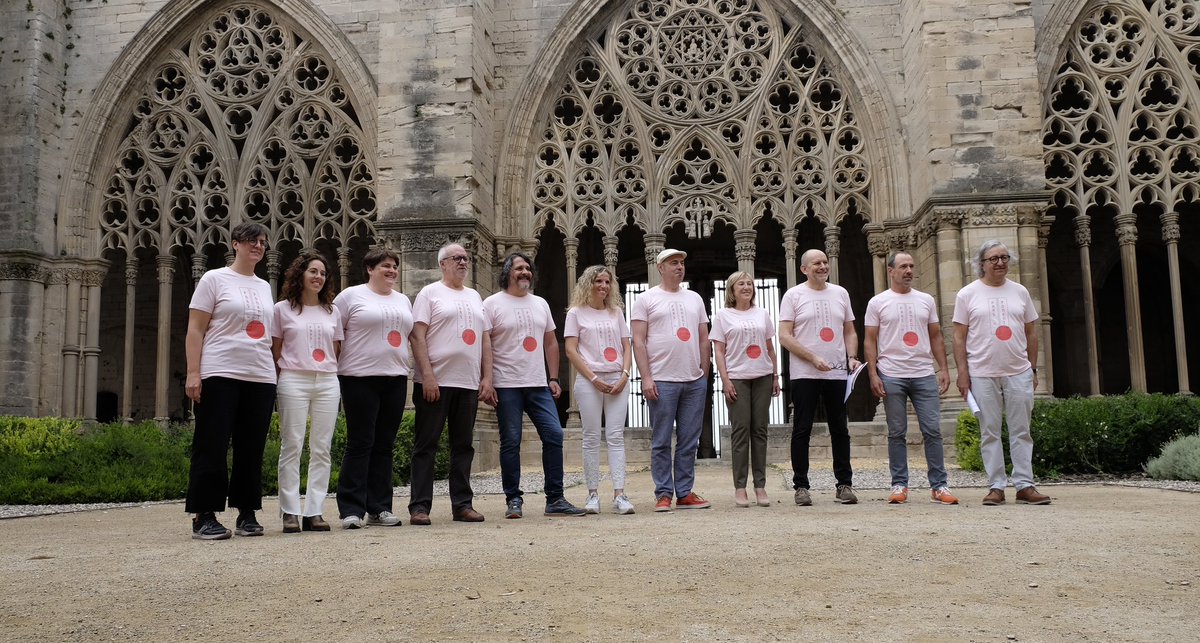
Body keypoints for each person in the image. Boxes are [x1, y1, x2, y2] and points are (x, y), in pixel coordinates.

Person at [184, 222, 276, 540]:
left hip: (260, 375)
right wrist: (193, 373)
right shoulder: (214, 279)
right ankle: (204, 515)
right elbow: (195, 329)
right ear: (235, 244)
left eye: (263, 242)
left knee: (251, 447)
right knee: (212, 444)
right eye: (252, 240)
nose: (259, 246)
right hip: (220, 371)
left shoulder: (264, 286)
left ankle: (246, 513)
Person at [484, 253, 587, 518]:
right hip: (506, 384)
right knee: (511, 441)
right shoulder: (492, 304)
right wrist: (487, 380)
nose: (525, 272)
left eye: (528, 268)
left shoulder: (540, 303)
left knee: (554, 435)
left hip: (538, 384)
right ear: (508, 272)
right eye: (519, 268)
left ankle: (555, 499)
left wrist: (554, 378)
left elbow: (551, 342)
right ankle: (513, 500)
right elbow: (484, 345)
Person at [952, 240, 1050, 506]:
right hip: (982, 373)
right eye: (993, 259)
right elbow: (959, 337)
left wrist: (1032, 368)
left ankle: (1025, 485)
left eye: (1004, 257)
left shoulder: (1020, 292)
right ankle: (996, 486)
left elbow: (1031, 332)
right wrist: (963, 373)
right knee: (990, 431)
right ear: (981, 264)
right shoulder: (967, 294)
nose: (1000, 263)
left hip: (1018, 371)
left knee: (1021, 430)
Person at [407, 243, 492, 525]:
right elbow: (417, 336)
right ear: (442, 263)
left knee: (463, 445)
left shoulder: (475, 295)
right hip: (436, 382)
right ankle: (419, 507)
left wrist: (487, 377)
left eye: (466, 258)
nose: (463, 262)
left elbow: (485, 340)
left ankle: (462, 505)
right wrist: (427, 375)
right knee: (426, 445)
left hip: (467, 383)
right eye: (457, 258)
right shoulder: (429, 293)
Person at [864, 252, 958, 506]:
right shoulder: (878, 302)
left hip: (923, 373)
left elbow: (936, 336)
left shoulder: (926, 300)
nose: (908, 270)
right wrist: (873, 374)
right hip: (892, 373)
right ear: (891, 270)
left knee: (932, 430)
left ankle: (939, 486)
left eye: (911, 266)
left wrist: (944, 369)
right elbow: (870, 340)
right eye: (903, 266)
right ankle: (899, 485)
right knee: (896, 433)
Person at [334, 247, 414, 528]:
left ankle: (379, 507)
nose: (391, 270)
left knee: (384, 445)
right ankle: (351, 509)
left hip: (395, 376)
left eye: (394, 266)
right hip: (359, 377)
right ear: (370, 269)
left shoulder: (403, 300)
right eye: (385, 266)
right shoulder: (350, 296)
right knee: (360, 443)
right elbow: (335, 335)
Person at [631, 248, 713, 512]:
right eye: (673, 263)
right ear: (660, 268)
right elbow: (638, 341)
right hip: (662, 380)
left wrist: (704, 372)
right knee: (662, 440)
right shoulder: (646, 299)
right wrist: (646, 378)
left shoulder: (695, 299)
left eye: (681, 263)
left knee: (690, 440)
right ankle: (664, 493)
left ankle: (685, 493)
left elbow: (703, 337)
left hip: (693, 381)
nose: (679, 267)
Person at [779, 249, 861, 506]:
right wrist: (812, 358)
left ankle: (844, 485)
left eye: (825, 262)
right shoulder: (793, 295)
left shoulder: (840, 293)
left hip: (837, 372)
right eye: (817, 263)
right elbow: (784, 335)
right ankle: (801, 486)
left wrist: (851, 356)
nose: (823, 266)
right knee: (802, 429)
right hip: (805, 373)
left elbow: (849, 330)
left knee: (840, 429)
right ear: (804, 269)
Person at [271, 252, 343, 533]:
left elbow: (336, 349)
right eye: (313, 271)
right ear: (300, 274)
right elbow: (276, 350)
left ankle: (314, 511)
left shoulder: (332, 311)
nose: (318, 277)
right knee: (292, 445)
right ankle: (290, 510)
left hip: (326, 380)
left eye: (323, 273)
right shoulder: (282, 309)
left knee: (321, 448)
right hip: (293, 378)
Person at [564, 265, 635, 515]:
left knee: (615, 437)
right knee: (591, 437)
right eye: (598, 281)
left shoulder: (616, 312)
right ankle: (592, 494)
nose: (604, 286)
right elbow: (571, 350)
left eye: (607, 282)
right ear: (588, 284)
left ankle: (620, 494)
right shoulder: (575, 313)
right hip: (589, 381)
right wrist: (593, 378)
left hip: (617, 379)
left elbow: (627, 347)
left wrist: (625, 375)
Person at [711, 271, 780, 508]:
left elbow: (770, 348)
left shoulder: (762, 313)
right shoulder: (723, 315)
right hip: (738, 378)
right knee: (740, 431)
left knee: (760, 431)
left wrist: (775, 375)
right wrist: (726, 380)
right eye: (741, 284)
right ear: (731, 289)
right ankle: (740, 488)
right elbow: (719, 351)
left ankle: (760, 485)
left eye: (749, 283)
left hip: (762, 375)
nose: (746, 287)